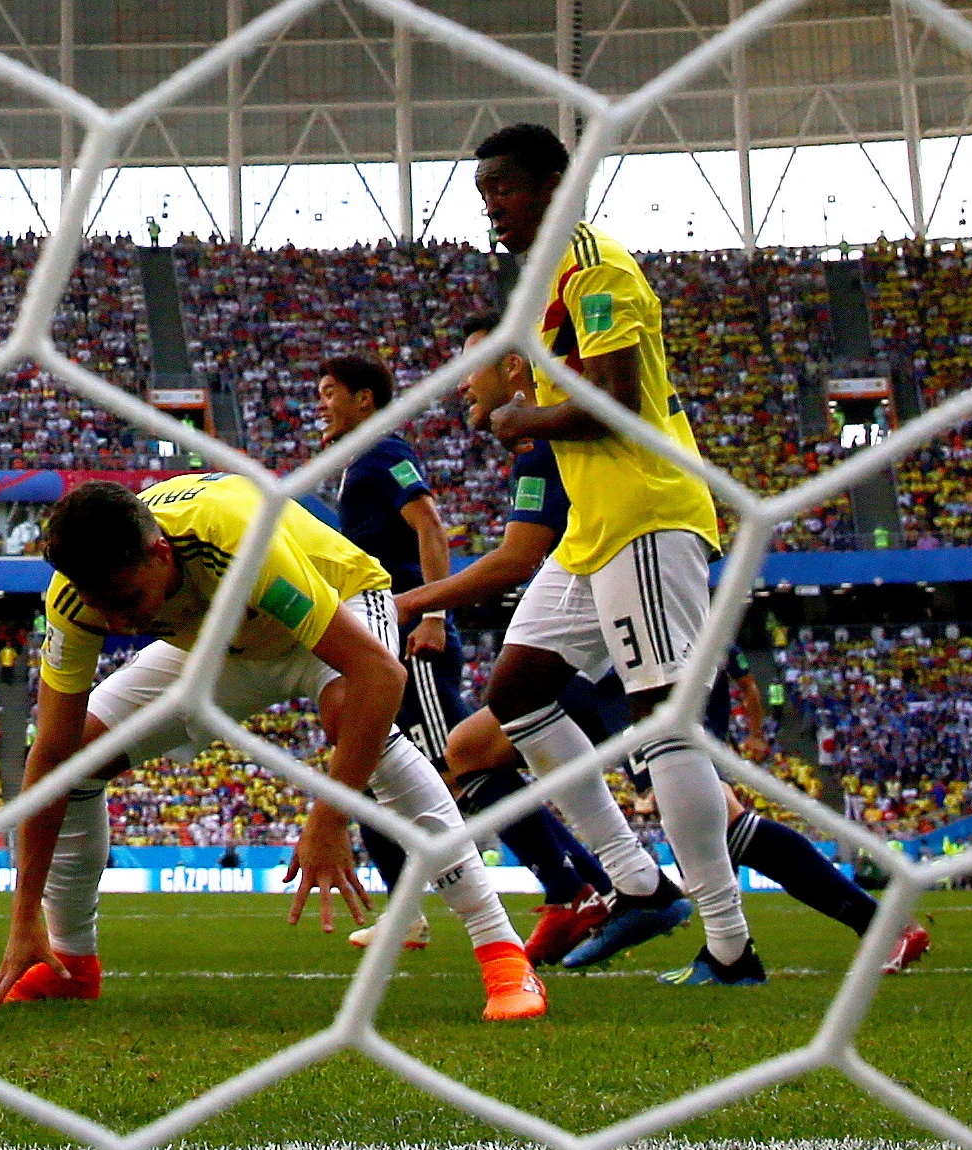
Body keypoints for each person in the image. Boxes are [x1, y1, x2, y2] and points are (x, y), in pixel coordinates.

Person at [397, 367, 928, 973]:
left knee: (708, 811)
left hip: (615, 658)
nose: (463, 381)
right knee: (481, 743)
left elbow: (519, 560)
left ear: (515, 368)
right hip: (609, 642)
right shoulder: (552, 446)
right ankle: (605, 889)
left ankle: (607, 892)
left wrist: (419, 599)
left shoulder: (551, 442)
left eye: (476, 362)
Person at [0, 473, 547, 1023]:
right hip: (226, 644)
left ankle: (503, 956)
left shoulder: (234, 541)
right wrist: (25, 919)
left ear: (161, 554)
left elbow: (381, 675)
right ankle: (68, 963)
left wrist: (329, 818)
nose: (120, 623)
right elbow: (48, 754)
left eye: (127, 599)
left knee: (359, 717)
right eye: (104, 607)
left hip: (337, 608)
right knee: (73, 762)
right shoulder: (75, 597)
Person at [456, 120, 761, 985]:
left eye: (503, 191)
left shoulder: (595, 267)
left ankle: (729, 943)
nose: (492, 211)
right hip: (592, 528)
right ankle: (634, 883)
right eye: (484, 197)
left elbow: (618, 401)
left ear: (554, 183)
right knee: (515, 694)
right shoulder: (547, 278)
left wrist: (521, 420)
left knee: (663, 725)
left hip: (644, 513)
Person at [306, 351, 457, 945]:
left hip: (409, 633)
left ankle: (573, 882)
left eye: (328, 390)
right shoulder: (353, 465)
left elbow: (430, 526)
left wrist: (434, 611)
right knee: (365, 773)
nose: (321, 402)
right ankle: (405, 916)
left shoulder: (385, 453)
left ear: (364, 398)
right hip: (379, 633)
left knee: (461, 770)